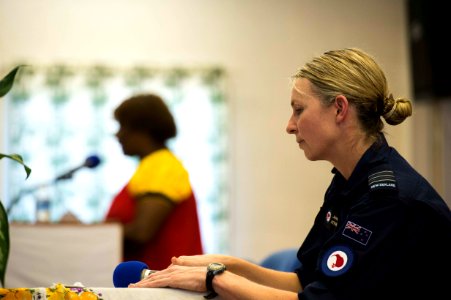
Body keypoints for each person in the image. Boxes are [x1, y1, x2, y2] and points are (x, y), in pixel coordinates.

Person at [128, 48, 451, 299]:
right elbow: (305, 279)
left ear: (339, 109)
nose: (289, 125)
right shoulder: (348, 182)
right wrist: (227, 264)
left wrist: (214, 278)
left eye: (299, 109)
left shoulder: (388, 198)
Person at [105, 93, 203, 271]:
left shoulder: (162, 166)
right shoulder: (151, 165)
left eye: (122, 127)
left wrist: (91, 232)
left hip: (167, 286)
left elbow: (141, 232)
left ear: (142, 129)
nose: (118, 135)